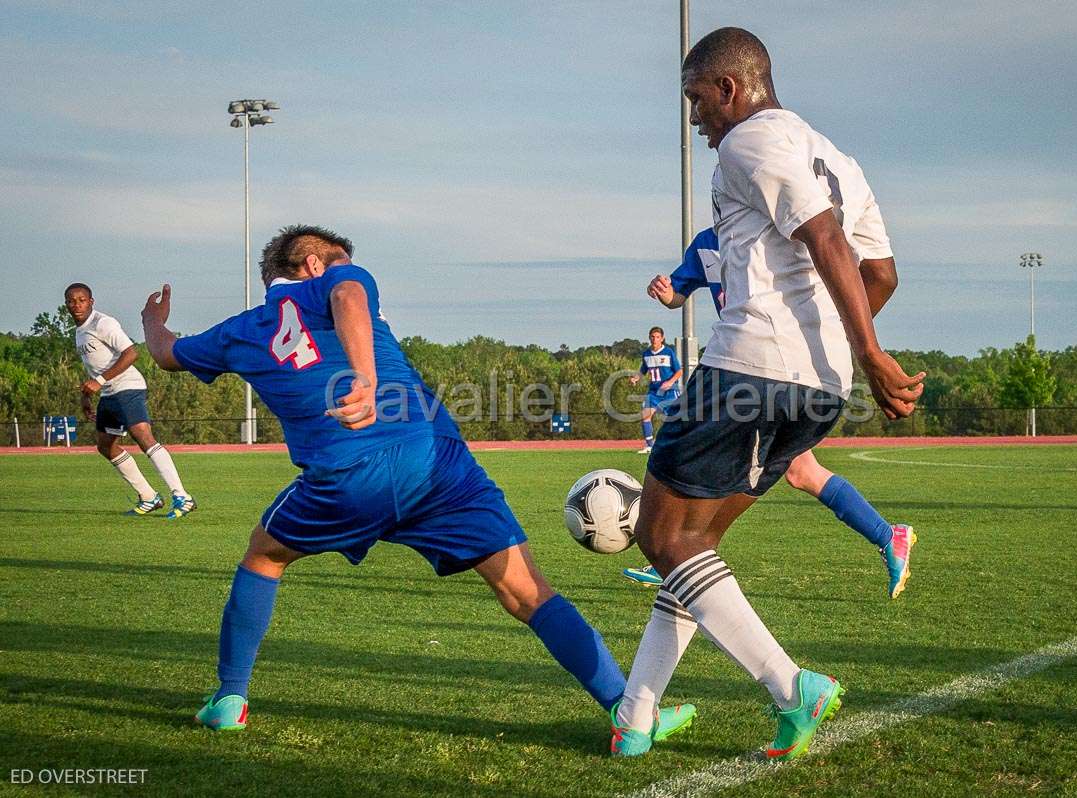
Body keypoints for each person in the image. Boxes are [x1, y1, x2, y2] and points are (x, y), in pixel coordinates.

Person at [141, 224, 694, 741]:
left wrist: (153, 323)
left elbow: (166, 354)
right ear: (313, 264)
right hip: (434, 466)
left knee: (264, 557)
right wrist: (364, 375)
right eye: (339, 266)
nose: (348, 273)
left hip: (343, 481)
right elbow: (350, 298)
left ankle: (230, 699)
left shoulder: (239, 331)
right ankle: (627, 714)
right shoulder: (338, 279)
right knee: (527, 593)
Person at [611, 28, 925, 759]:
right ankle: (636, 717)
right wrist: (851, 354)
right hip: (818, 387)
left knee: (662, 536)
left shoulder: (748, 142)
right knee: (695, 545)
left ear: (730, 88)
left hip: (750, 367)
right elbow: (881, 274)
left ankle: (794, 689)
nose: (696, 120)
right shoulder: (839, 160)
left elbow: (827, 243)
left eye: (697, 100)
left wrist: (873, 352)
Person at [622, 227, 915, 599]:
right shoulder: (706, 243)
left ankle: (683, 555)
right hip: (748, 367)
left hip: (775, 370)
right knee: (801, 471)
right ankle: (888, 535)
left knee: (738, 462)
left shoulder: (774, 234)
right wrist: (667, 295)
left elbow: (861, 276)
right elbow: (679, 293)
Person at [65, 282, 195, 518]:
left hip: (127, 387)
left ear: (91, 302)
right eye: (72, 301)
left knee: (144, 437)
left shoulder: (102, 323)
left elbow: (131, 352)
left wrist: (100, 380)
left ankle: (182, 496)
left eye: (82, 300)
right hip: (108, 393)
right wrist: (86, 397)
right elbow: (94, 367)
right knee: (106, 445)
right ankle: (149, 497)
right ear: (66, 305)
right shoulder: (80, 331)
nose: (77, 305)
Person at [629, 327, 682, 453]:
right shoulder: (646, 354)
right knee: (645, 415)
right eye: (653, 336)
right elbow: (643, 370)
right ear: (649, 337)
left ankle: (678, 444)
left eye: (657, 337)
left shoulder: (668, 352)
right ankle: (649, 445)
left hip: (670, 391)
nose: (655, 339)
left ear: (662, 339)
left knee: (673, 418)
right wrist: (635, 378)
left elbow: (679, 371)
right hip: (654, 392)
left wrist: (670, 382)